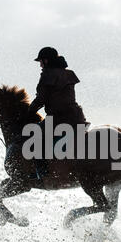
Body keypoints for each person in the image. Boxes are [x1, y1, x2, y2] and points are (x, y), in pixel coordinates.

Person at [28, 47, 88, 181]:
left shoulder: (48, 75)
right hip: (77, 117)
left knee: (33, 139)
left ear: (46, 60)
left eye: (41, 62)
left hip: (59, 119)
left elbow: (41, 99)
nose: (40, 65)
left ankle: (41, 174)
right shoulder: (68, 73)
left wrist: (30, 111)